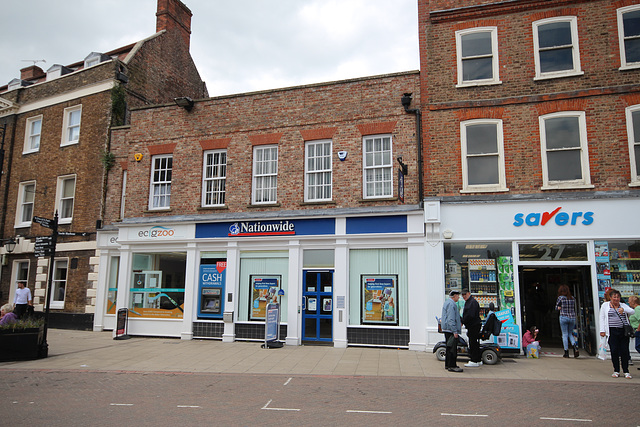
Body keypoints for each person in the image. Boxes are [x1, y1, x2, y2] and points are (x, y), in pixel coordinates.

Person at [599, 289, 634, 379]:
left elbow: (632, 311)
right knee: (614, 351)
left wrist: (624, 310)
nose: (616, 299)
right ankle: (616, 370)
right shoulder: (605, 306)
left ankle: (626, 371)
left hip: (623, 331)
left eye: (618, 297)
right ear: (610, 298)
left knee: (624, 351)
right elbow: (602, 317)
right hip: (612, 331)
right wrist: (602, 330)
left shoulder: (623, 305)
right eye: (614, 297)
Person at [441, 290, 463, 372]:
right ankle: (452, 365)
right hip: (450, 330)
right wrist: (455, 331)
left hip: (448, 329)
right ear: (454, 296)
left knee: (449, 347)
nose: (459, 297)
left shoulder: (447, 302)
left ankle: (448, 364)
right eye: (458, 295)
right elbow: (451, 319)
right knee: (452, 349)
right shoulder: (451, 304)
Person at [555, 284, 579, 358]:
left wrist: (559, 308)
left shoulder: (560, 298)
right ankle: (574, 346)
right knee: (570, 333)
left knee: (564, 334)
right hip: (572, 317)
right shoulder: (572, 298)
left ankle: (566, 352)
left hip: (563, 317)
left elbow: (556, 307)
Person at [461, 289, 482, 367]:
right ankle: (478, 359)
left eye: (465, 294)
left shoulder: (472, 302)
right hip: (473, 325)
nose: (463, 296)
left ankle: (474, 360)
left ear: (469, 293)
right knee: (475, 343)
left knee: (473, 343)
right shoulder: (470, 301)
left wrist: (463, 321)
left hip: (473, 325)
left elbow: (470, 315)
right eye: (462, 295)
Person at [627, 295, 640, 370]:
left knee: (638, 346)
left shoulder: (637, 309)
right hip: (636, 330)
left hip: (638, 330)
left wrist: (638, 330)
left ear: (633, 302)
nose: (628, 302)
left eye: (629, 301)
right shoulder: (634, 309)